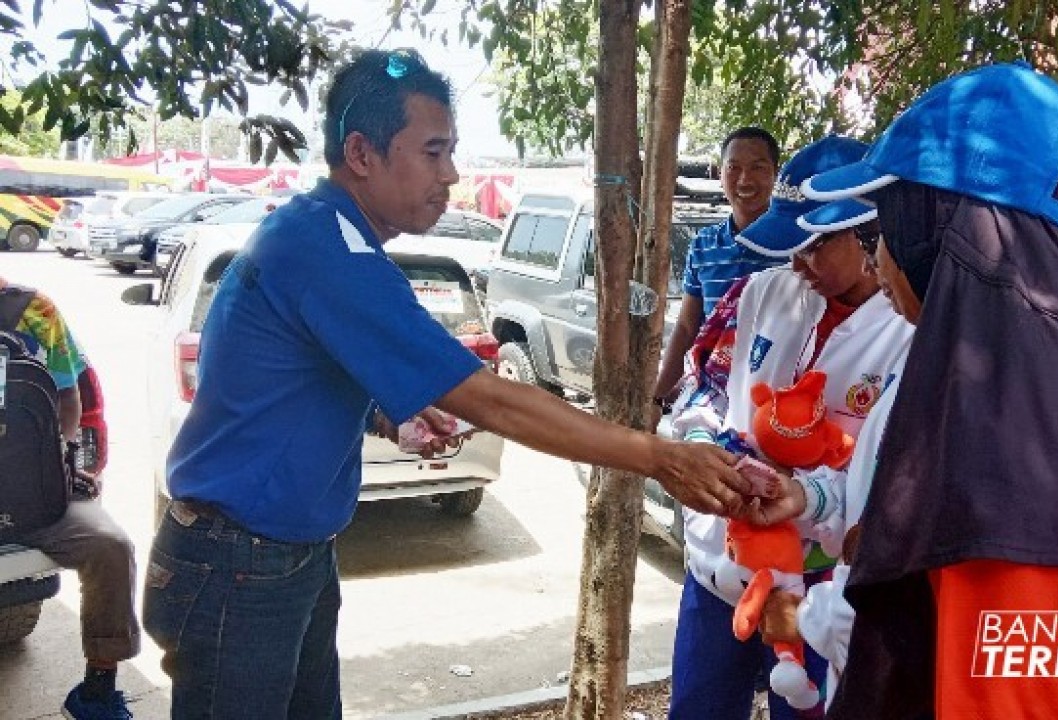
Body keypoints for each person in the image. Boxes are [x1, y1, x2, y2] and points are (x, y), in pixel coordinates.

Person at [141, 48, 750, 719]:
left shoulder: (323, 234)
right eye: (433, 153)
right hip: (240, 569)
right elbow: (488, 397)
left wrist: (387, 414)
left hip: (280, 558)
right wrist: (659, 456)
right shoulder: (331, 254)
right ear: (362, 153)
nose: (452, 174)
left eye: (452, 152)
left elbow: (300, 375)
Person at [792, 62, 1058, 719]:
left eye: (884, 229)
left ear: (935, 232)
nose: (879, 260)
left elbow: (1043, 681)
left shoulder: (1005, 468)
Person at [666, 136, 914, 719]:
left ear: (871, 232)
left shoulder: (910, 331)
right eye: (791, 245)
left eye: (816, 245)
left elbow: (890, 476)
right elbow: (704, 387)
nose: (798, 263)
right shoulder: (756, 294)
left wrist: (804, 496)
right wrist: (702, 445)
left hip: (823, 592)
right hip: (720, 566)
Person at [0, 277, 139, 720]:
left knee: (111, 547)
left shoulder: (32, 310)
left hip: (32, 494)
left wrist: (60, 461)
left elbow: (67, 396)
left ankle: (98, 691)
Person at [651, 127, 785, 407]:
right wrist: (657, 398)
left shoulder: (797, 246)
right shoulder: (703, 245)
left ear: (776, 173)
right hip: (711, 400)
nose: (745, 179)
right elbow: (687, 328)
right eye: (733, 168)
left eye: (758, 167)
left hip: (776, 401)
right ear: (719, 173)